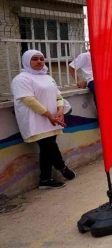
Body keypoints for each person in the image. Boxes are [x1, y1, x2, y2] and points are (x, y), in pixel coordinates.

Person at [11, 50, 77, 188]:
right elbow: (29, 100)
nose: (39, 61)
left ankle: (45, 180)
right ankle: (62, 168)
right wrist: (49, 115)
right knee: (49, 146)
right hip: (36, 120)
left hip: (53, 119)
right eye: (34, 59)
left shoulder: (47, 77)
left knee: (47, 149)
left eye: (41, 58)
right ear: (26, 61)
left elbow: (58, 96)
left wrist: (60, 111)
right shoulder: (21, 79)